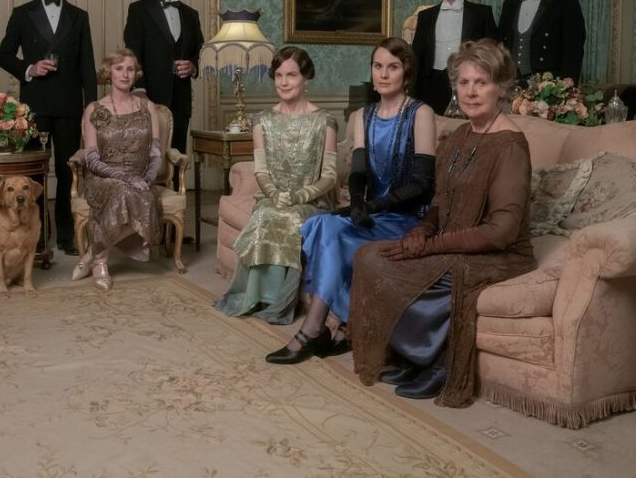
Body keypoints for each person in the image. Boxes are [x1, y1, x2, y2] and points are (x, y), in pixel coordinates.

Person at [349, 38, 535, 404]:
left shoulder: (511, 145)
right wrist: (423, 229)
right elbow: (439, 200)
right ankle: (412, 356)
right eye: (463, 82)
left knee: (410, 267)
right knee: (369, 256)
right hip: (452, 242)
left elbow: (501, 231)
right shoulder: (460, 135)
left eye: (481, 82)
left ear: (500, 87)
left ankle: (440, 364)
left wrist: (431, 246)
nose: (470, 92)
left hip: (497, 255)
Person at [266, 37, 436, 364]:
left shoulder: (421, 113)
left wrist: (373, 206)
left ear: (406, 72)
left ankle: (312, 330)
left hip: (405, 219)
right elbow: (358, 172)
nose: (383, 74)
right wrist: (357, 201)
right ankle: (329, 326)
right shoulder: (362, 115)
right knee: (320, 223)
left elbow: (422, 184)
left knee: (330, 230)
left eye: (392, 67)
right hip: (372, 214)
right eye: (377, 66)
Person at [215, 46, 337, 324]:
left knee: (289, 218)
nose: (283, 82)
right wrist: (273, 193)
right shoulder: (262, 120)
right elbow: (261, 170)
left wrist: (299, 195)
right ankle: (254, 296)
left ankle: (279, 303)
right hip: (272, 198)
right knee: (267, 215)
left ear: (306, 77)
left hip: (311, 201)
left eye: (291, 75)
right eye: (278, 75)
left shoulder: (325, 121)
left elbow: (329, 176)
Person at [0, 0, 97, 256]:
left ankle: (66, 234)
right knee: (34, 175)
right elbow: (4, 55)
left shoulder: (79, 16)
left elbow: (87, 66)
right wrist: (30, 68)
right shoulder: (22, 13)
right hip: (36, 104)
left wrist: (91, 107)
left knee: (68, 171)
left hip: (69, 104)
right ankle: (37, 236)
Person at [71, 49, 163, 291]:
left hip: (140, 178)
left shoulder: (148, 107)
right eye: (119, 68)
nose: (125, 74)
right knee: (124, 191)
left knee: (144, 198)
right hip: (103, 177)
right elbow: (92, 159)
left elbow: (156, 154)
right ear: (108, 72)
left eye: (130, 69)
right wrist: (125, 177)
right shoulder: (95, 109)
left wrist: (148, 178)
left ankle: (93, 255)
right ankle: (100, 262)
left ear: (136, 73)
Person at [124, 0, 204, 159]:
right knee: (147, 157)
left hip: (181, 98)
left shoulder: (191, 14)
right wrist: (139, 89)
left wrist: (193, 66)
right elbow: (132, 53)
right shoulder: (138, 10)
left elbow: (200, 50)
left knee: (177, 156)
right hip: (148, 96)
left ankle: (178, 183)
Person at [411, 0, 498, 114]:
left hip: (469, 83)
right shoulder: (425, 16)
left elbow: (492, 53)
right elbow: (416, 54)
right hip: (431, 84)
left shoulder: (482, 13)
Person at [498, 0, 586, 83]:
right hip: (512, 82)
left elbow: (574, 47)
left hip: (550, 84)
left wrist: (568, 84)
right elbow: (501, 45)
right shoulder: (509, 4)